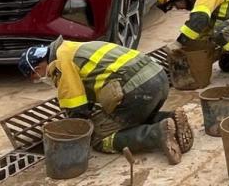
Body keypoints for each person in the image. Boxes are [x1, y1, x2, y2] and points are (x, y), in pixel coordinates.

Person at [18, 39, 191, 164]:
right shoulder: (71, 47)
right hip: (158, 78)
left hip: (138, 89)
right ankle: (171, 118)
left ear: (37, 67)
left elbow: (76, 109)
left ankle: (156, 133)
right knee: (129, 118)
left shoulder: (59, 63)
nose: (40, 79)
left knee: (100, 139)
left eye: (35, 77)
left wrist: (78, 129)